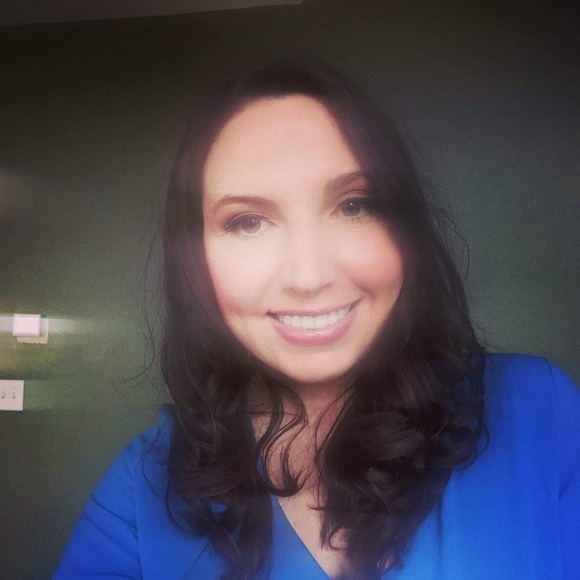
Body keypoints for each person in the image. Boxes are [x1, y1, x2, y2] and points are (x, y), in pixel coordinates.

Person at [54, 60, 580, 580]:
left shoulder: (538, 412)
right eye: (248, 221)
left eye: (354, 205)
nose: (308, 277)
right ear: (194, 260)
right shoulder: (144, 487)